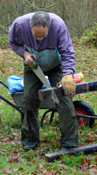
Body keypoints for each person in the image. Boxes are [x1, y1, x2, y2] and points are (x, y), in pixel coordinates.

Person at [8, 11, 78, 151]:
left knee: (64, 98)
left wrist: (68, 74)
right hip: (33, 66)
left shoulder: (58, 25)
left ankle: (69, 142)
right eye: (36, 36)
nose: (40, 39)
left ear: (49, 27)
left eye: (43, 36)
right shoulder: (19, 25)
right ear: (30, 25)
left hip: (55, 66)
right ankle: (30, 140)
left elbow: (67, 51)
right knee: (28, 99)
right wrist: (25, 54)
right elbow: (14, 43)